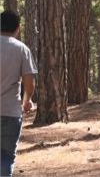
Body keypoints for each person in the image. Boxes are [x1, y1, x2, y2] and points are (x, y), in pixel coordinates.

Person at [0, 10, 37, 177]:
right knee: (6, 158)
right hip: (11, 112)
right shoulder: (22, 49)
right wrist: (27, 101)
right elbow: (29, 82)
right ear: (18, 28)